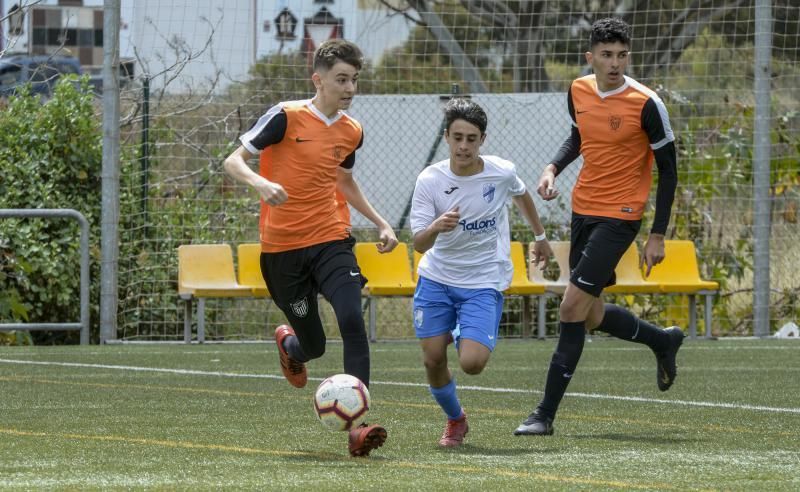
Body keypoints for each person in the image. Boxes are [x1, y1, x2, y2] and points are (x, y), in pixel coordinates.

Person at [223, 39, 398, 457]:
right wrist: (262, 183)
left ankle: (360, 426)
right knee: (315, 346)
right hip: (282, 251)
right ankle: (290, 347)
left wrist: (381, 222)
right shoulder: (285, 117)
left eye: (354, 79)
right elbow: (233, 161)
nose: (350, 88)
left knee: (353, 318)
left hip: (330, 238)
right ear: (318, 80)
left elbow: (343, 181)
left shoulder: (351, 130)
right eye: (342, 79)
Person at [513, 17, 685, 437]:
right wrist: (552, 168)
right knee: (588, 316)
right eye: (606, 55)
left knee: (570, 308)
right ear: (590, 57)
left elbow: (669, 170)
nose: (614, 63)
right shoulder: (578, 89)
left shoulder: (647, 104)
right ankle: (662, 341)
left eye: (621, 55)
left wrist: (657, 234)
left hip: (622, 216)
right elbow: (578, 137)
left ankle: (543, 415)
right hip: (584, 210)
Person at [410, 98, 553, 447]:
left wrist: (540, 237)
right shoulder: (430, 179)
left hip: (483, 281)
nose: (463, 146)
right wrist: (437, 227)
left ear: (482, 139)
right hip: (437, 278)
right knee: (432, 359)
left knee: (472, 363)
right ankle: (456, 420)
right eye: (457, 137)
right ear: (446, 137)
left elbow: (521, 195)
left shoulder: (501, 171)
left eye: (471, 138)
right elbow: (418, 244)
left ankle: (462, 328)